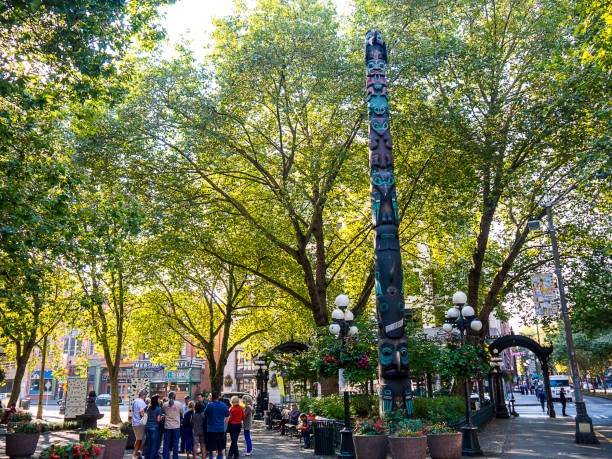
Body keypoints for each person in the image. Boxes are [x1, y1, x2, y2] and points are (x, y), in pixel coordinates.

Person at [204, 391, 230, 459]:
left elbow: (204, 414)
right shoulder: (223, 405)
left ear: (212, 397)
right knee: (221, 446)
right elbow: (228, 416)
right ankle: (224, 457)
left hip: (211, 429)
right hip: (220, 429)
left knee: (213, 447)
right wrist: (224, 425)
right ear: (218, 397)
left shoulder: (209, 405)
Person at [163, 391, 183, 459]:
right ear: (175, 397)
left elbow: (164, 413)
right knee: (175, 444)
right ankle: (175, 457)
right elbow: (181, 414)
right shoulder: (179, 404)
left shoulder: (165, 404)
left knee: (166, 443)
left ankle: (165, 457)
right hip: (176, 426)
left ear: (168, 397)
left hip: (167, 426)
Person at [133, 389, 148, 459]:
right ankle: (136, 454)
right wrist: (144, 417)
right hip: (140, 423)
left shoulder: (135, 401)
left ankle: (136, 454)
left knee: (138, 439)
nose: (146, 396)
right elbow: (141, 412)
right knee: (141, 439)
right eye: (145, 395)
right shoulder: (141, 402)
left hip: (134, 423)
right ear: (143, 395)